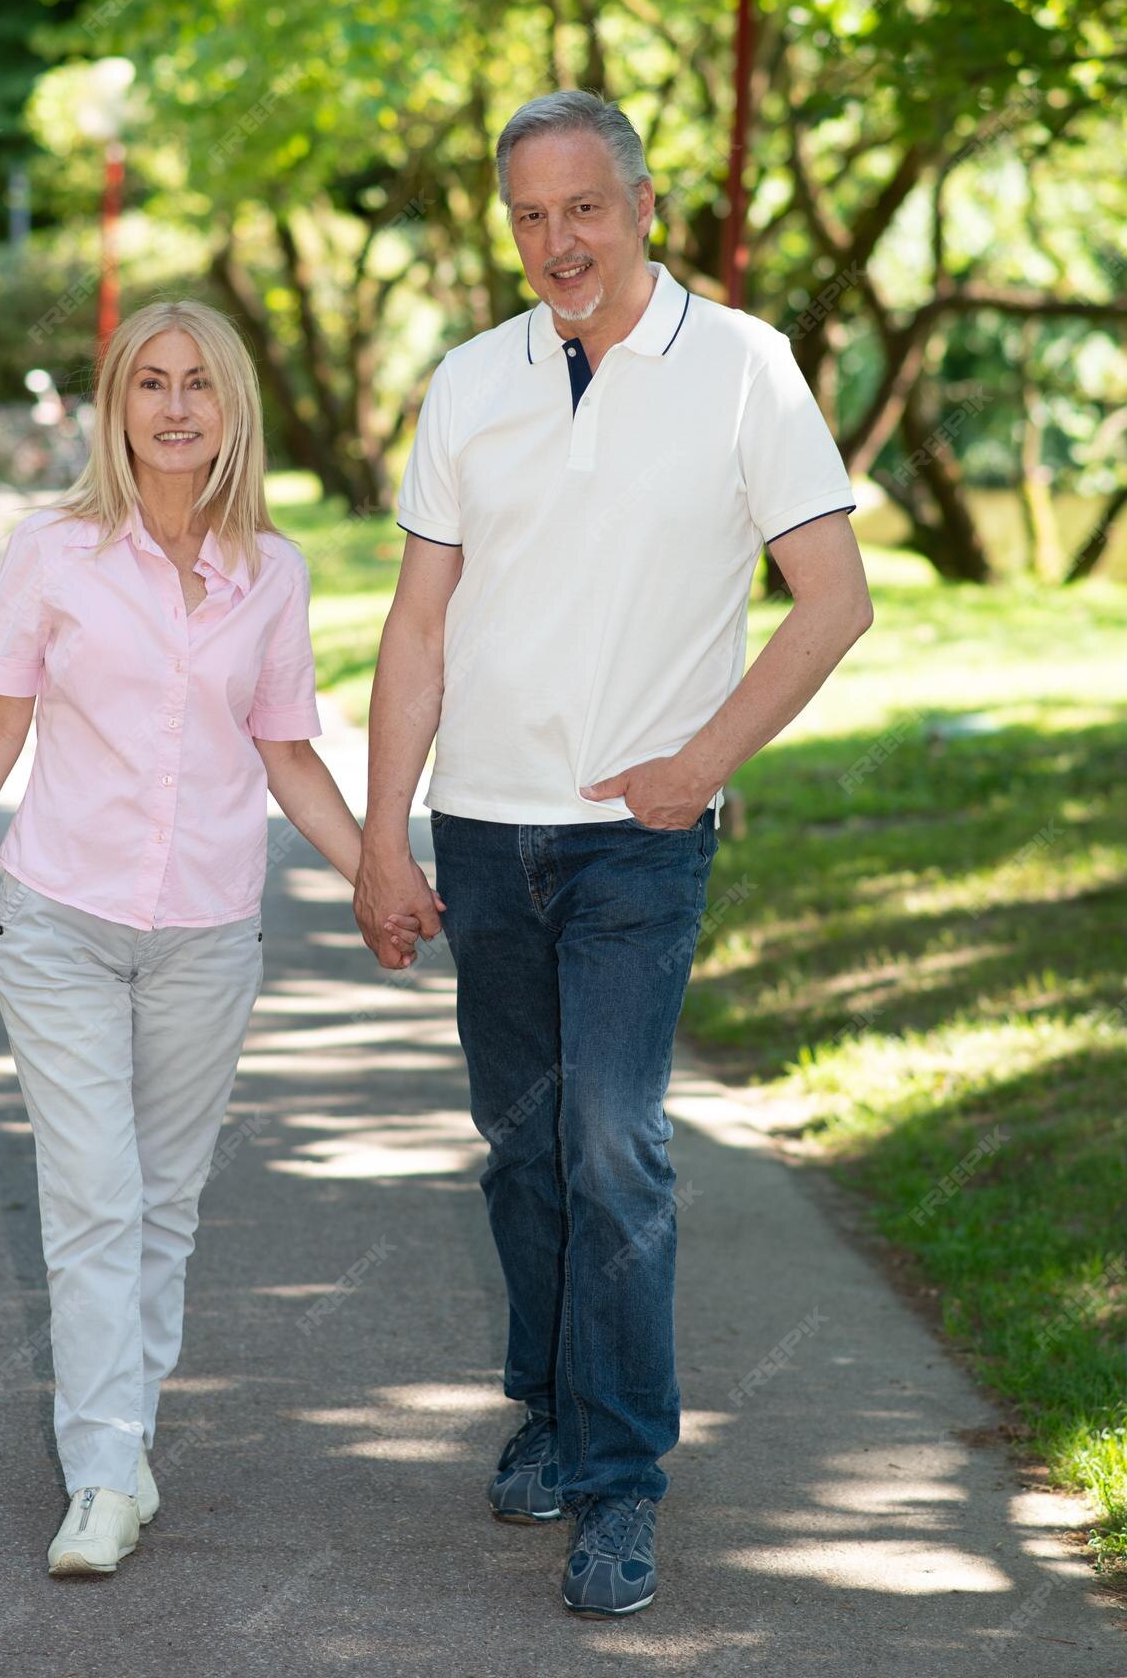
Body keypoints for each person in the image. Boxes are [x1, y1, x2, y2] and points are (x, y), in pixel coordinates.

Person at [356, 91, 873, 1619]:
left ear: (643, 205)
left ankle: (621, 1482)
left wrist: (701, 767)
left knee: (614, 1144)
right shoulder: (470, 380)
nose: (555, 242)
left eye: (583, 208)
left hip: (639, 843)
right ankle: (548, 1406)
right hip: (486, 824)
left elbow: (831, 599)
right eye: (527, 215)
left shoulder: (743, 370)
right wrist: (385, 836)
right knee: (524, 1145)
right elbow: (418, 622)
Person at [0, 298, 426, 1577]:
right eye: (149, 384)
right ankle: (102, 1474)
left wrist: (379, 879)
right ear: (118, 405)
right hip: (60, 916)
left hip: (205, 931)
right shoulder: (52, 550)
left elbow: (287, 754)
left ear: (232, 408)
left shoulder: (272, 574)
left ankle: (122, 1442)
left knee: (164, 1207)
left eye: (199, 386)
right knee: (93, 1199)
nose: (175, 407)